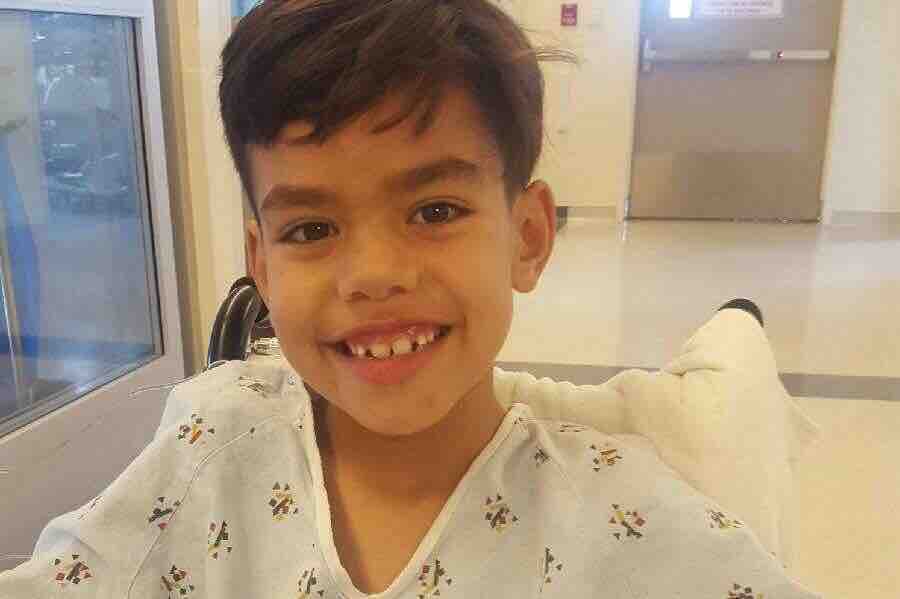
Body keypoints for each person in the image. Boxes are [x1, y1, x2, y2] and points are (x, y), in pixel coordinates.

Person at [0, 1, 824, 597]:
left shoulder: (623, 521)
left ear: (528, 236)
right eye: (311, 228)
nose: (373, 273)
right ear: (261, 264)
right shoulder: (211, 444)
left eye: (434, 211)